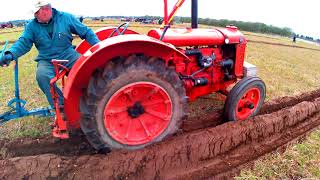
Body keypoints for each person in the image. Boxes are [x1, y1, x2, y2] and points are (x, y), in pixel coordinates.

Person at [0, 0, 100, 110]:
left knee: (85, 70)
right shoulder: (31, 26)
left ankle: (92, 100)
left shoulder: (66, 18)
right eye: (41, 9)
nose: (46, 11)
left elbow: (86, 32)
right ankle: (62, 106)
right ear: (35, 13)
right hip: (47, 59)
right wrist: (10, 54)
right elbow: (23, 42)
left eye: (47, 7)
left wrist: (99, 46)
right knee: (42, 76)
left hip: (68, 54)